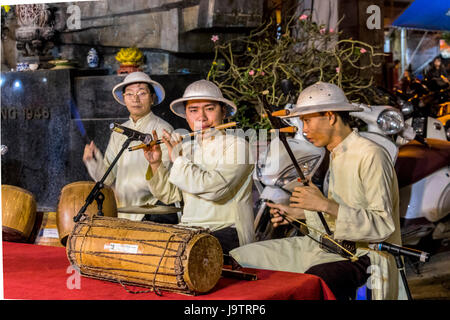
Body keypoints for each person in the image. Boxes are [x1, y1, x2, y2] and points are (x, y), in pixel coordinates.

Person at [229, 82, 405, 300]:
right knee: (243, 257)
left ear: (330, 116)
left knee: (315, 278)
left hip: (365, 255)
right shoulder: (334, 154)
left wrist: (324, 205)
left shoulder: (371, 155)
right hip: (330, 247)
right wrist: (300, 213)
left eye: (307, 120)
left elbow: (382, 225)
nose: (304, 130)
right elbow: (335, 216)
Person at [142, 79, 255, 254]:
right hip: (190, 230)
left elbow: (215, 189)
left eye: (209, 109)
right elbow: (170, 195)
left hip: (227, 230)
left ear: (223, 111)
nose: (201, 117)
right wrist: (156, 163)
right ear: (186, 116)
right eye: (193, 110)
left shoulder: (238, 146)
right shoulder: (187, 148)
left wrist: (178, 161)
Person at [82, 72, 175, 222]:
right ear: (124, 99)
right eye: (130, 94)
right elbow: (107, 178)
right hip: (123, 210)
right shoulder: (119, 131)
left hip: (154, 210)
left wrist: (132, 188)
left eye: (142, 93)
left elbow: (166, 180)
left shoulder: (163, 130)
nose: (135, 98)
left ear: (152, 98)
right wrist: (93, 161)